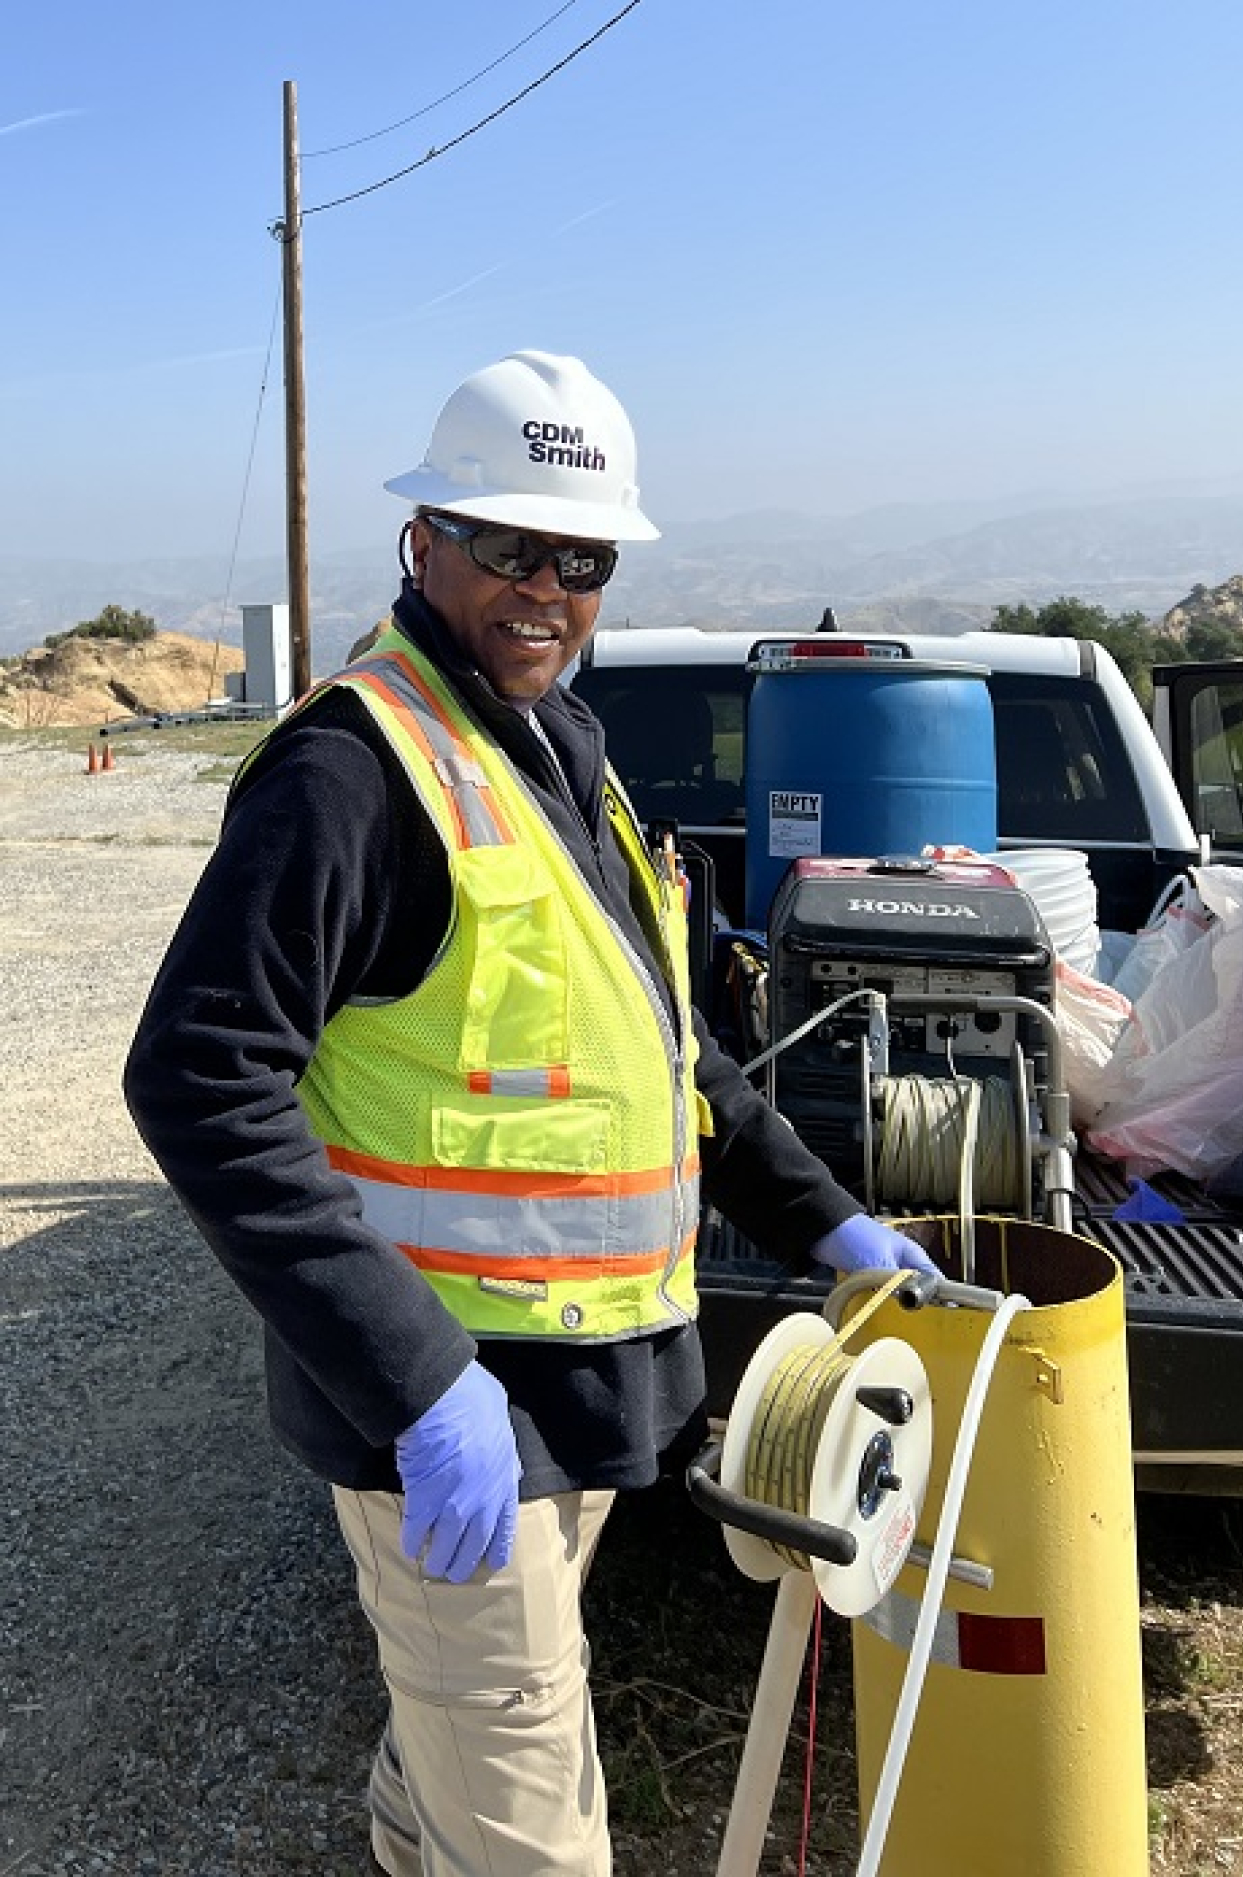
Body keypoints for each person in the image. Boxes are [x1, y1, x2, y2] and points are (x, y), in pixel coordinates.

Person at [123, 350, 935, 1877]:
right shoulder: (350, 773)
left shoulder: (563, 752)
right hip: (449, 1415)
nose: (544, 587)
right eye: (506, 544)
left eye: (580, 557)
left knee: (456, 1764)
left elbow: (662, 1051)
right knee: (536, 1843)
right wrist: (421, 1385)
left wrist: (823, 1218)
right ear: (422, 540)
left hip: (573, 1414)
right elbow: (196, 1077)